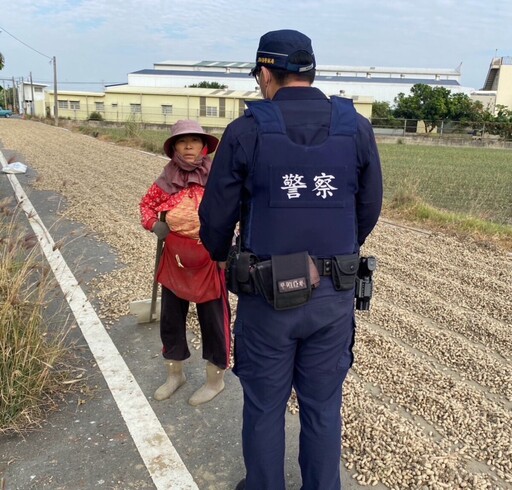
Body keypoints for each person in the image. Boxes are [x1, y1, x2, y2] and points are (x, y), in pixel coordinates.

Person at [199, 29, 383, 489]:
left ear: (266, 73)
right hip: (334, 296)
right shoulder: (355, 126)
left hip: (267, 299)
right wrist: (332, 255)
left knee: (265, 405)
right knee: (323, 405)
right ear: (311, 71)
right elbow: (370, 204)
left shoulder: (246, 130)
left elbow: (215, 217)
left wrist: (221, 256)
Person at [140, 120, 231, 407]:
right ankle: (174, 375)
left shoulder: (218, 176)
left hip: (210, 258)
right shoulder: (165, 180)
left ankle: (215, 380)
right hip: (175, 260)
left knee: (214, 321)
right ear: (174, 148)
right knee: (171, 319)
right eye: (182, 141)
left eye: (194, 140)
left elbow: (236, 206)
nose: (189, 146)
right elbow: (146, 206)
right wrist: (154, 223)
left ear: (204, 146)